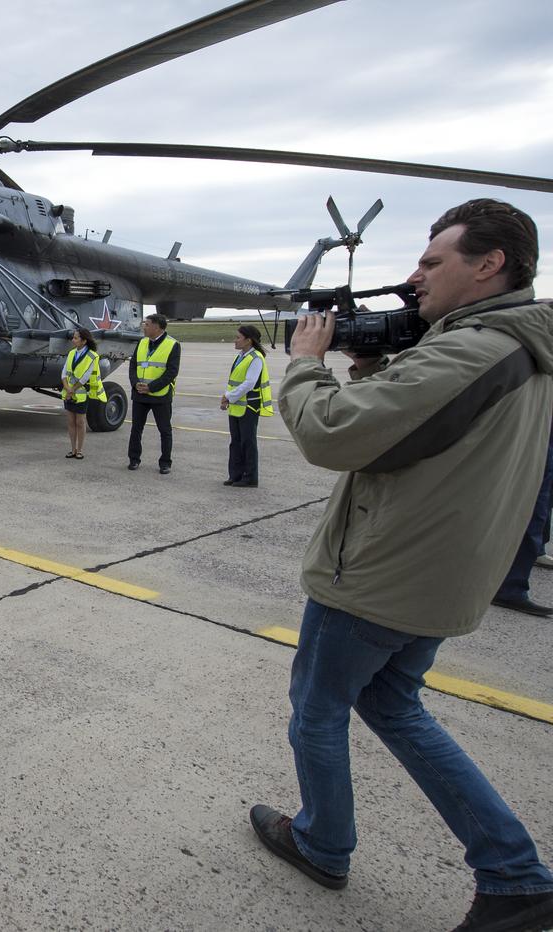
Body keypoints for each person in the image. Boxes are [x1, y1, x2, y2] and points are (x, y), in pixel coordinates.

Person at [251, 199, 553, 932]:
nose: (414, 278)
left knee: (317, 712)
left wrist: (303, 365)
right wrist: (382, 372)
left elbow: (333, 433)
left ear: (490, 266)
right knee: (394, 706)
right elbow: (428, 437)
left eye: (431, 262)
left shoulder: (473, 348)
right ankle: (512, 870)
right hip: (438, 576)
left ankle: (324, 842)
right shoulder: (518, 346)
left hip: (379, 579)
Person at [220, 324, 273, 487]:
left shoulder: (256, 358)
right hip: (236, 406)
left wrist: (228, 396)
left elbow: (249, 383)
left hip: (249, 407)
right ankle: (235, 475)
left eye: (238, 337)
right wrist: (227, 398)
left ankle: (250, 477)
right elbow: (234, 381)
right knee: (235, 442)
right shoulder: (241, 356)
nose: (235, 340)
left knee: (247, 443)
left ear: (248, 340)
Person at [127, 313, 180, 474]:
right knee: (136, 428)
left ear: (157, 327)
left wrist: (151, 388)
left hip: (160, 395)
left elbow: (172, 372)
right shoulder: (142, 342)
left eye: (147, 324)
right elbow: (133, 365)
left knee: (164, 430)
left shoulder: (173, 345)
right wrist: (136, 384)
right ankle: (134, 459)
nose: (144, 327)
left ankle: (165, 462)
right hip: (140, 394)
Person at [61, 327, 107, 460]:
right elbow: (64, 372)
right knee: (70, 421)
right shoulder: (71, 353)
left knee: (80, 422)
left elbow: (85, 377)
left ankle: (80, 449)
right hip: (69, 393)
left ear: (84, 341)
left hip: (81, 394)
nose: (73, 340)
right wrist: (66, 387)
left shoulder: (92, 356)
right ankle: (72, 449)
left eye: (76, 338)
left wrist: (72, 389)